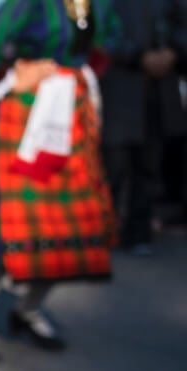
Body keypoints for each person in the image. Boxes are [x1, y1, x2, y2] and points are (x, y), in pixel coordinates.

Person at [0, 0, 127, 358]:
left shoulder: (98, 4)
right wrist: (16, 74)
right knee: (7, 219)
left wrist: (84, 74)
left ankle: (28, 309)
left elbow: (110, 40)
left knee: (64, 222)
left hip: (72, 109)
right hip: (27, 110)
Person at [100, 0, 187, 255]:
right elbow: (101, 29)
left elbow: (182, 22)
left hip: (159, 88)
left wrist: (173, 52)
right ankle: (106, 227)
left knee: (149, 164)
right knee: (114, 164)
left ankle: (139, 231)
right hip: (120, 85)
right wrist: (138, 56)